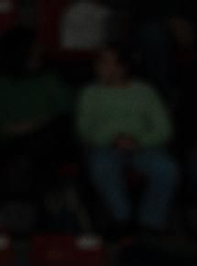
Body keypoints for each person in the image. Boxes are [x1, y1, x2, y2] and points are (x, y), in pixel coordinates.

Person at [76, 42, 178, 232]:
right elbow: (84, 129)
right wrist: (113, 139)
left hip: (144, 146)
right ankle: (122, 219)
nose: (101, 68)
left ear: (122, 66)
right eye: (100, 62)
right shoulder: (90, 94)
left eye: (108, 62)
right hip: (106, 147)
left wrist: (138, 141)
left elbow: (164, 129)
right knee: (101, 166)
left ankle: (150, 224)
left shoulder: (144, 91)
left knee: (166, 169)